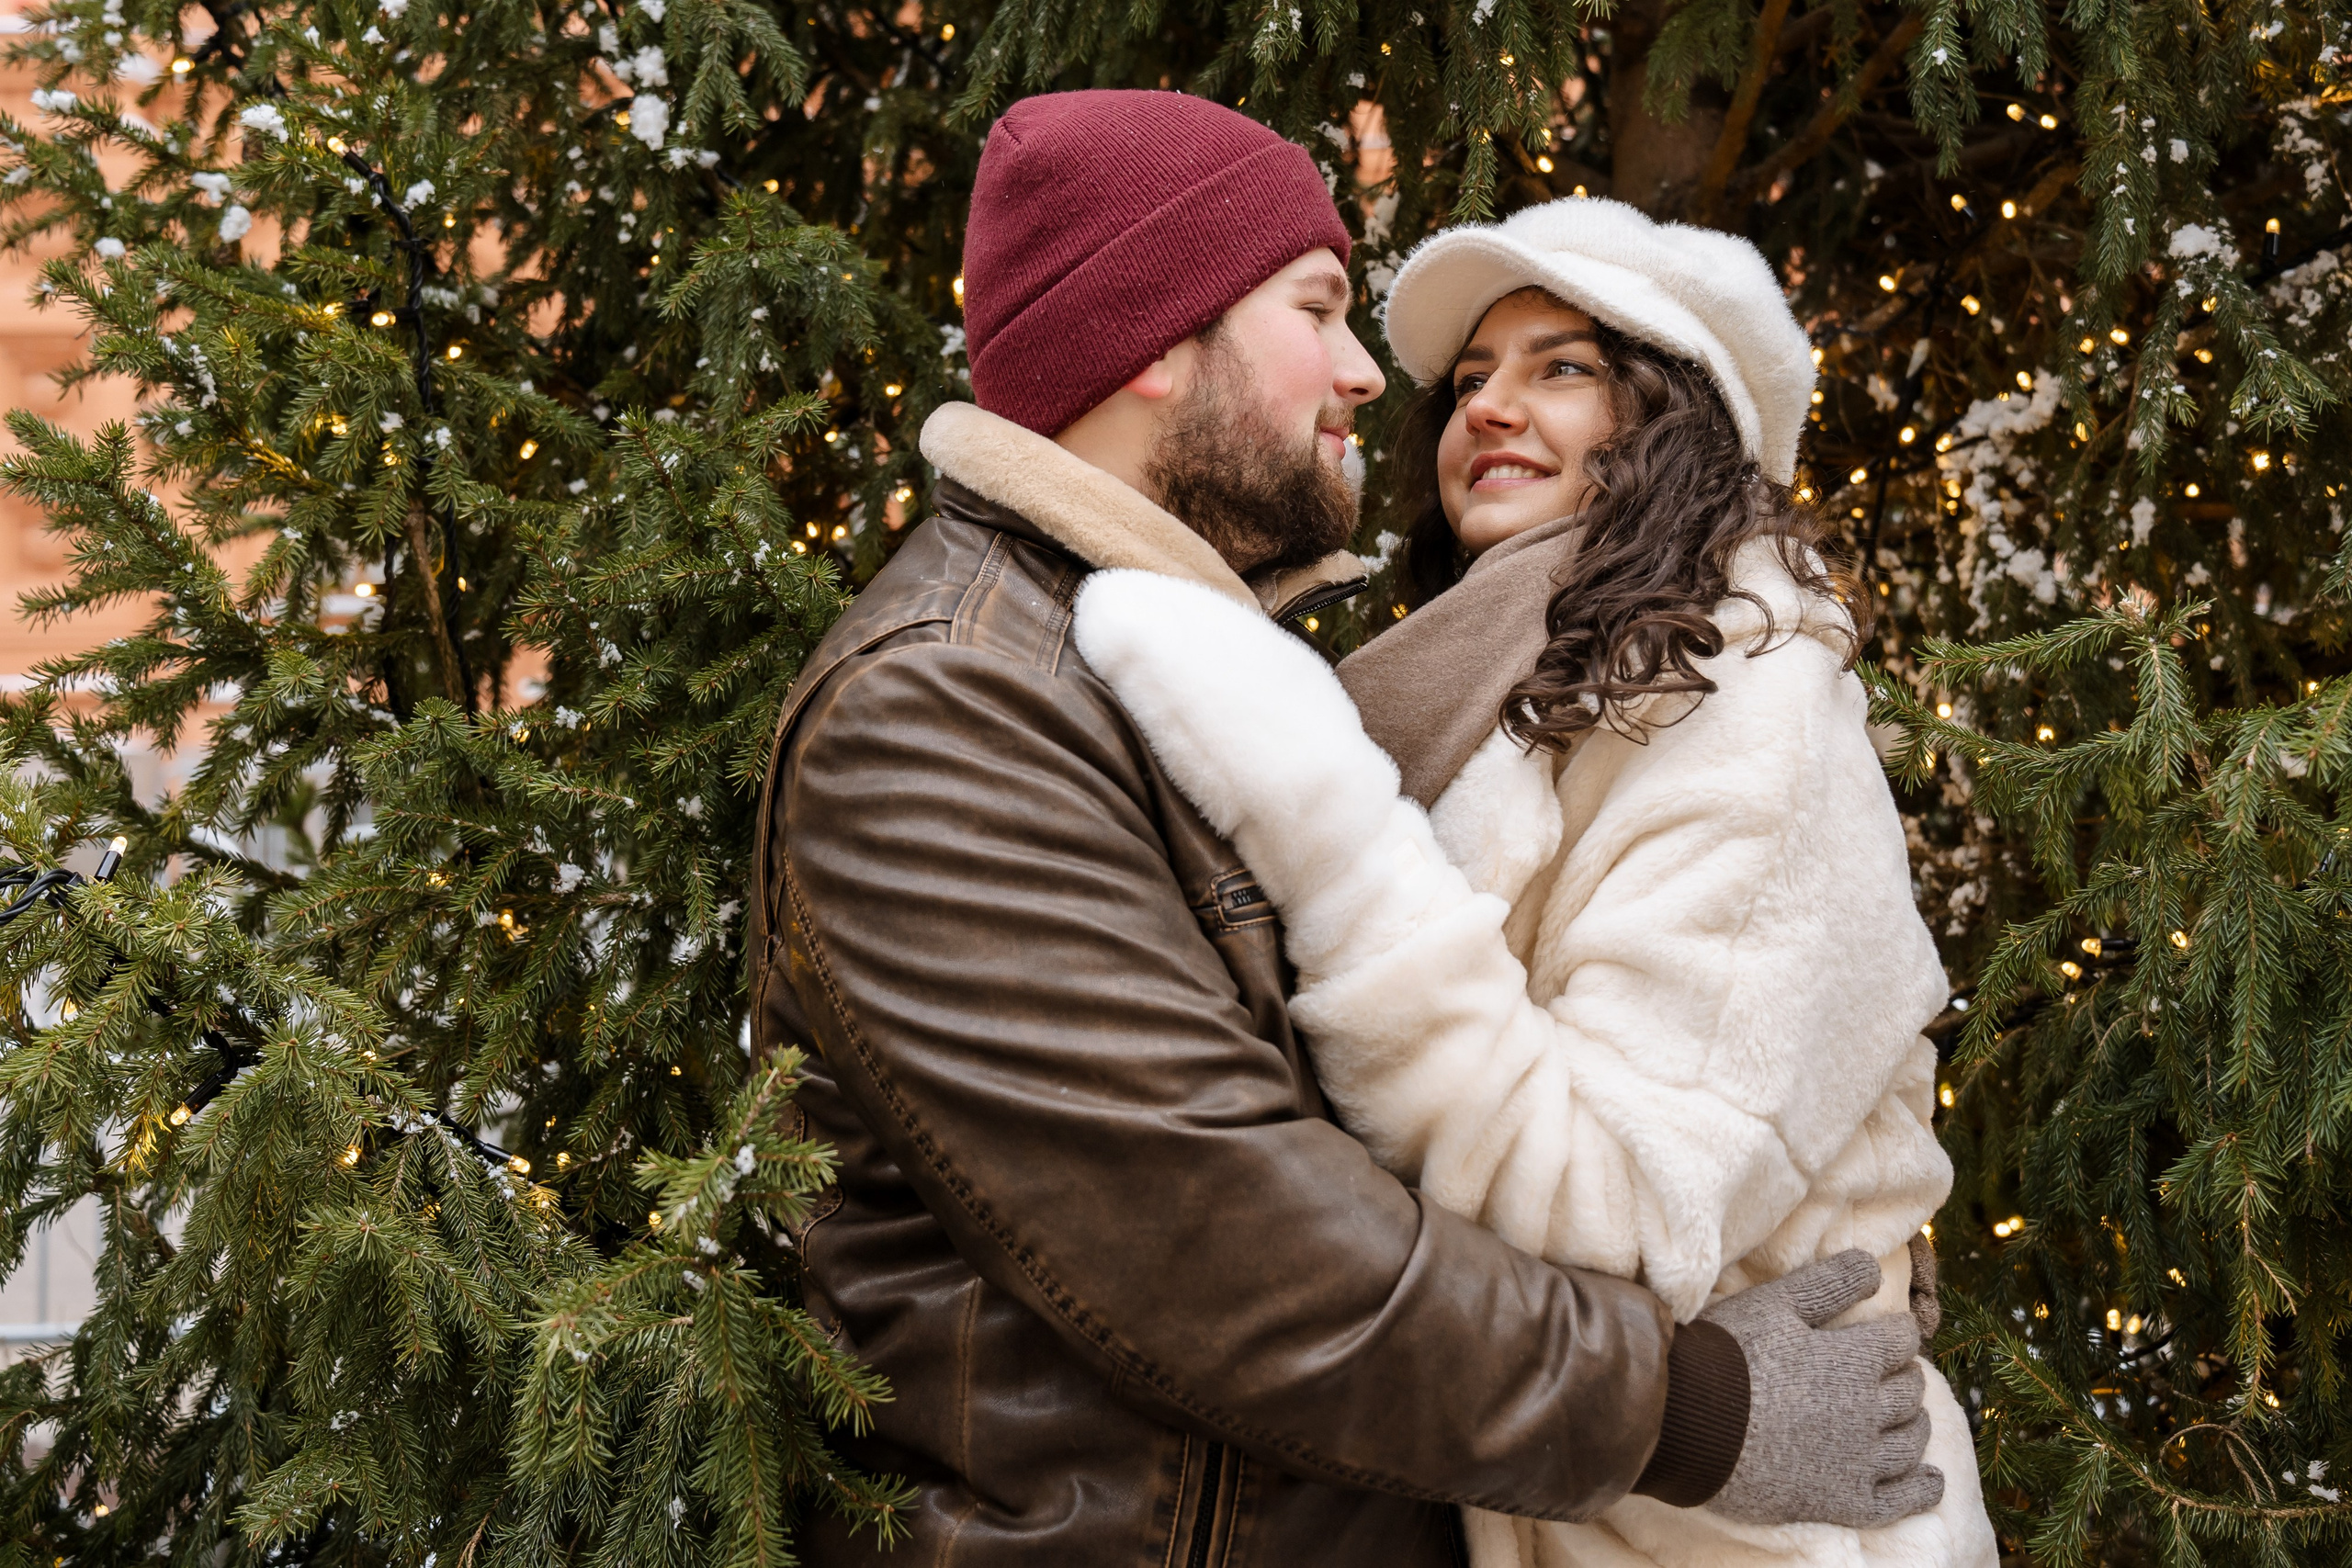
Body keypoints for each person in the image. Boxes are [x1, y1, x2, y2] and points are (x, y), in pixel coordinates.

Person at [751, 93, 1943, 1566]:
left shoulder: (1169, 670)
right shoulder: (954, 704)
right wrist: (1686, 1408)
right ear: (1153, 340)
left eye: (1560, 368)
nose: (1376, 376)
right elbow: (1223, 1241)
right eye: (1316, 308)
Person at [1070, 197, 1996, 1567]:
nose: (1490, 408)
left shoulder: (1747, 712)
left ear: (1678, 426)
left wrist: (1328, 837)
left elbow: (1618, 1207)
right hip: (1579, 1498)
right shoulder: (1500, 694)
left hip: (1759, 1530)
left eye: (1561, 368)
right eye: (1470, 381)